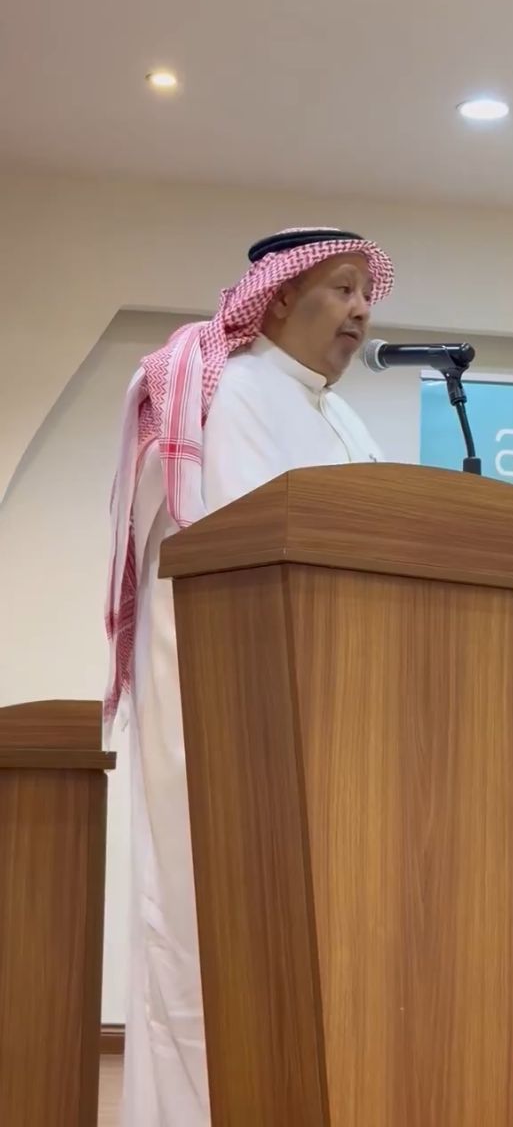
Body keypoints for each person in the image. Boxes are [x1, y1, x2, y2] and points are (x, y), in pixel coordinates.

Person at [104, 227, 394, 1126]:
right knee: (217, 935)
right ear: (276, 298)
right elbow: (245, 554)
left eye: (366, 292)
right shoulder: (229, 393)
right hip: (235, 718)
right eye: (342, 288)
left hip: (329, 713)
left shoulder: (341, 416)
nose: (361, 310)